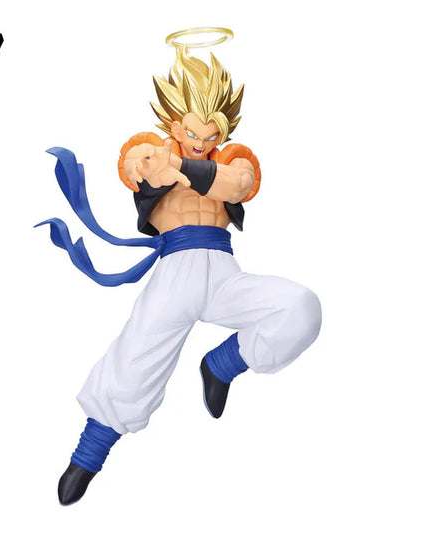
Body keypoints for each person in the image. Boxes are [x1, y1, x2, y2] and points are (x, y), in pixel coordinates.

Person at [39, 45, 322, 505]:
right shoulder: (149, 147)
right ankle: (88, 455)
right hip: (174, 270)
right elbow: (140, 169)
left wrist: (183, 169)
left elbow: (238, 185)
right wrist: (156, 166)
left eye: (212, 132)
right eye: (192, 131)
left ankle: (223, 364)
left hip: (224, 272)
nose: (200, 140)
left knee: (300, 307)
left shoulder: (235, 157)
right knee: (134, 358)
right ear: (174, 123)